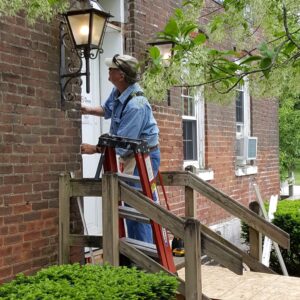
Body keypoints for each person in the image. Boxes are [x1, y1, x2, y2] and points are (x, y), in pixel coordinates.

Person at [80, 54, 160, 244]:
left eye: (112, 69)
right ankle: (137, 253)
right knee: (133, 204)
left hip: (143, 157)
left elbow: (123, 143)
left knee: (137, 207)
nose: (108, 70)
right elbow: (107, 110)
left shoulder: (136, 105)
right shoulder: (118, 92)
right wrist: (85, 109)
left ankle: (144, 258)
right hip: (133, 155)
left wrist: (94, 149)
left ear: (121, 75)